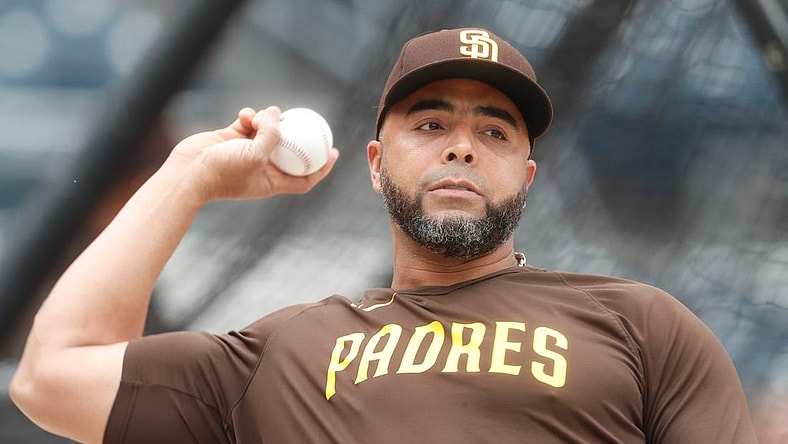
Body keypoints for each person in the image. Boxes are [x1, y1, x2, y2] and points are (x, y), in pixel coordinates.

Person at [9, 28, 757, 443]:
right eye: (431, 124)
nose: (462, 146)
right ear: (376, 165)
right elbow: (52, 377)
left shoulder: (643, 325)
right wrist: (189, 174)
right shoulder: (276, 355)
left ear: (526, 178)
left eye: (494, 131)